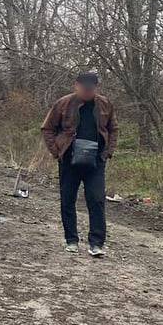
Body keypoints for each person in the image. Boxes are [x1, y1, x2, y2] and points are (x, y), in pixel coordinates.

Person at [41, 71, 118, 257]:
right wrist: (57, 151)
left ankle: (97, 244)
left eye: (91, 89)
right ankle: (71, 240)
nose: (87, 92)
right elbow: (47, 128)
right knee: (68, 200)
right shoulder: (63, 104)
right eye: (84, 89)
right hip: (69, 159)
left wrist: (108, 152)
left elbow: (113, 128)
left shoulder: (105, 104)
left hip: (96, 161)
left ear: (96, 88)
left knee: (97, 200)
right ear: (76, 86)